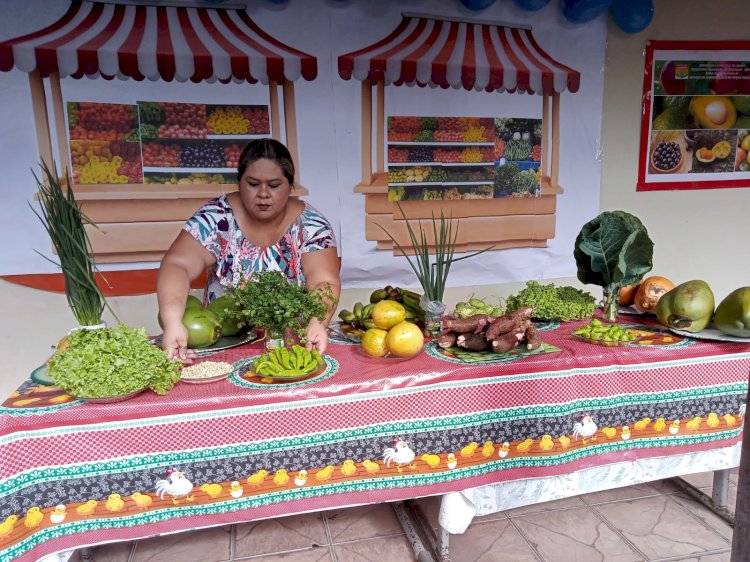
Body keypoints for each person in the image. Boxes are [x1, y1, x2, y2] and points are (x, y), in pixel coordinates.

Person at [157, 138, 340, 361]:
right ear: (240, 181)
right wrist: (173, 321)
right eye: (253, 184)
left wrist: (317, 321)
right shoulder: (216, 218)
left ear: (290, 185)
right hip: (223, 347)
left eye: (274, 185)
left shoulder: (312, 226)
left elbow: (324, 282)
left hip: (294, 347)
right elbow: (177, 264)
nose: (263, 193)